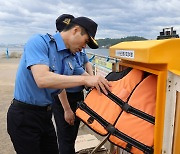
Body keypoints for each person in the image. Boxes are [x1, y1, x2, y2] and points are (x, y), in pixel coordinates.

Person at [7, 15, 111, 154]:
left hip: (46, 115)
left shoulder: (70, 56)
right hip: (25, 116)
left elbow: (85, 76)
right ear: (75, 30)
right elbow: (42, 79)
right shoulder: (39, 42)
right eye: (85, 41)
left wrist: (102, 84)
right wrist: (85, 81)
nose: (84, 47)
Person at [52, 14, 94, 154]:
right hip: (63, 98)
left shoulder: (73, 53)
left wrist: (92, 80)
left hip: (77, 95)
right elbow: (58, 82)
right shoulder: (56, 51)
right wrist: (67, 109)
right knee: (65, 138)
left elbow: (84, 68)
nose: (83, 47)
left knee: (71, 135)